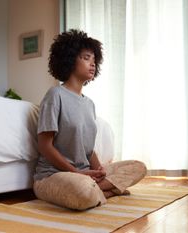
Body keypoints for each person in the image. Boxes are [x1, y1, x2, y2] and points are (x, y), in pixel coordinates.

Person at [33, 29, 147, 210]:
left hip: (86, 174)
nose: (92, 64)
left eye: (94, 60)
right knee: (83, 190)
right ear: (69, 60)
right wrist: (76, 172)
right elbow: (45, 146)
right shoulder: (55, 95)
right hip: (54, 176)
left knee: (138, 167)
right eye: (86, 58)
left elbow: (88, 148)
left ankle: (98, 191)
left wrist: (100, 169)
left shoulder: (90, 104)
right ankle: (108, 191)